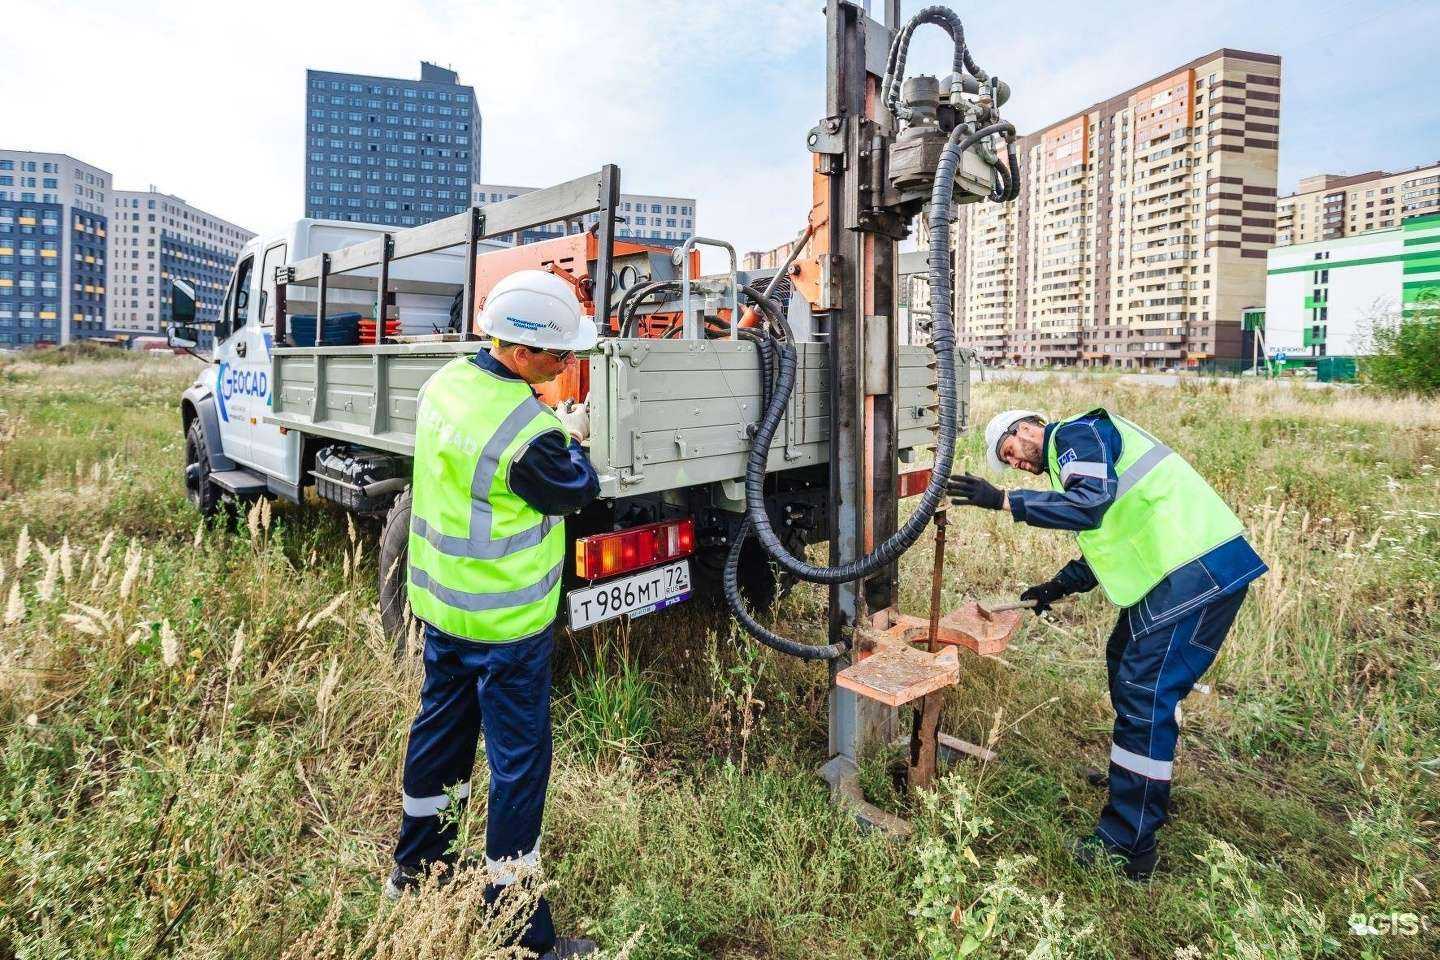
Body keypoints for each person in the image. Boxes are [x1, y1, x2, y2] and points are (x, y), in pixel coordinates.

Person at [947, 408, 1267, 880]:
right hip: (1184, 571)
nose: (1015, 464)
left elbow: (1090, 506)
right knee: (1125, 660)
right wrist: (1056, 587)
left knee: (1144, 690)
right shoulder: (1077, 456)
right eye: (1007, 463)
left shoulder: (1077, 434)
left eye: (1010, 452)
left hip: (1195, 570)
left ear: (1027, 428)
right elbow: (1112, 535)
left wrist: (1003, 501)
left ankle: (1127, 843)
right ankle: (1137, 781)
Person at [386, 269, 600, 959]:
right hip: (508, 629)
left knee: (440, 739)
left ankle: (414, 873)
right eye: (560, 354)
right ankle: (518, 930)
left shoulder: (445, 385)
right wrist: (575, 439)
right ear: (520, 351)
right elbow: (576, 490)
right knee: (518, 768)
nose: (568, 365)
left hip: (444, 610)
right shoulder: (529, 432)